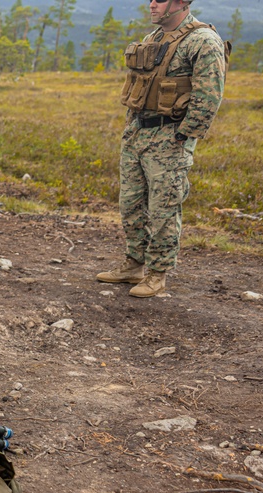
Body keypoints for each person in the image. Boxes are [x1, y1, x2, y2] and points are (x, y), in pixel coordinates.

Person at [97, 0, 226, 297]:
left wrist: (183, 137)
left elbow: (209, 95)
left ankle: (157, 273)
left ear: (180, 3)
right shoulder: (152, 39)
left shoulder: (203, 41)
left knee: (163, 208)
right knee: (130, 204)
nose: (152, 4)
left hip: (169, 138)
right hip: (138, 134)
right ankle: (133, 264)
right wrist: (131, 127)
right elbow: (141, 87)